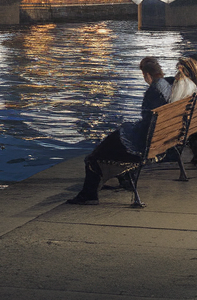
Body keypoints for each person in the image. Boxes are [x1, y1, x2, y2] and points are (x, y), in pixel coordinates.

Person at [67, 57, 171, 204]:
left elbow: (147, 122)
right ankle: (126, 179)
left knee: (95, 157)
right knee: (117, 135)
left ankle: (89, 195)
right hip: (158, 141)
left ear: (147, 74)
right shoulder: (166, 85)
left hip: (143, 145)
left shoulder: (153, 91)